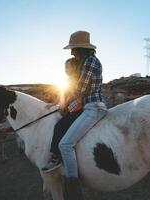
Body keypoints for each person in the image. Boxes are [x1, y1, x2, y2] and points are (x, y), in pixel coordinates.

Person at [60, 31, 107, 200]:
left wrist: (66, 99)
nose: (72, 53)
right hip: (90, 106)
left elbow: (82, 89)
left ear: (81, 49)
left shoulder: (90, 62)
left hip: (93, 107)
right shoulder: (89, 61)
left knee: (65, 145)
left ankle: (73, 187)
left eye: (73, 49)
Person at [42, 57, 83, 172]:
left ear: (74, 68)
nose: (65, 69)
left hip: (77, 110)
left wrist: (65, 105)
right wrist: (54, 104)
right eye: (65, 67)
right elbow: (63, 96)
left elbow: (75, 96)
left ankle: (56, 157)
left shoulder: (77, 80)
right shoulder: (68, 81)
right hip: (69, 109)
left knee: (59, 126)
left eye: (67, 67)